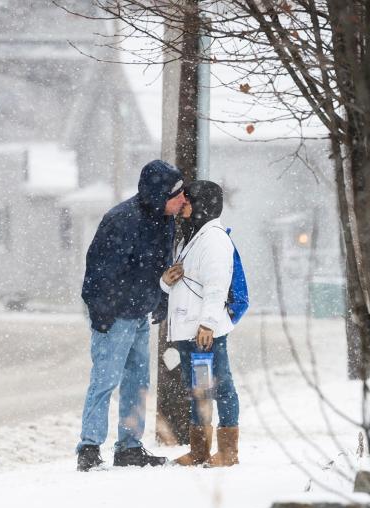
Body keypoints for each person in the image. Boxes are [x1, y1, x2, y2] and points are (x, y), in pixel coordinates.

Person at [76, 159, 188, 472]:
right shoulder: (122, 220)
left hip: (140, 313)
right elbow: (98, 269)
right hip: (114, 316)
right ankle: (89, 447)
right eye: (177, 195)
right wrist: (100, 311)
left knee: (138, 381)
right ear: (159, 194)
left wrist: (160, 300)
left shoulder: (162, 220)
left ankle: (129, 447)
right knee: (105, 379)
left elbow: (158, 266)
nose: (183, 200)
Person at [162, 180, 247, 467]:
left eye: (188, 199)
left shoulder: (214, 239)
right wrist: (165, 283)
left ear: (203, 205)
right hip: (192, 331)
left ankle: (228, 452)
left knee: (221, 386)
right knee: (199, 389)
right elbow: (184, 283)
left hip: (205, 333)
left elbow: (216, 285)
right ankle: (200, 450)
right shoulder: (192, 237)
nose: (182, 204)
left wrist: (208, 323)